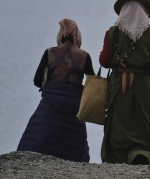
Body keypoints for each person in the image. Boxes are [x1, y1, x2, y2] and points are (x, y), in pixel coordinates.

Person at [99, 0, 150, 165]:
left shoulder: (112, 33)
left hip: (118, 85)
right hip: (143, 86)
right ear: (144, 13)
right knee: (145, 123)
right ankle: (142, 153)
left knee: (119, 123)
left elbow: (104, 61)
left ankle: (118, 157)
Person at [17, 18, 95, 162]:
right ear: (77, 35)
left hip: (50, 104)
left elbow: (36, 81)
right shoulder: (84, 56)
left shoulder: (50, 53)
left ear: (60, 34)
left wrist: (50, 85)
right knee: (74, 148)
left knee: (35, 141)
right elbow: (93, 85)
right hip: (75, 107)